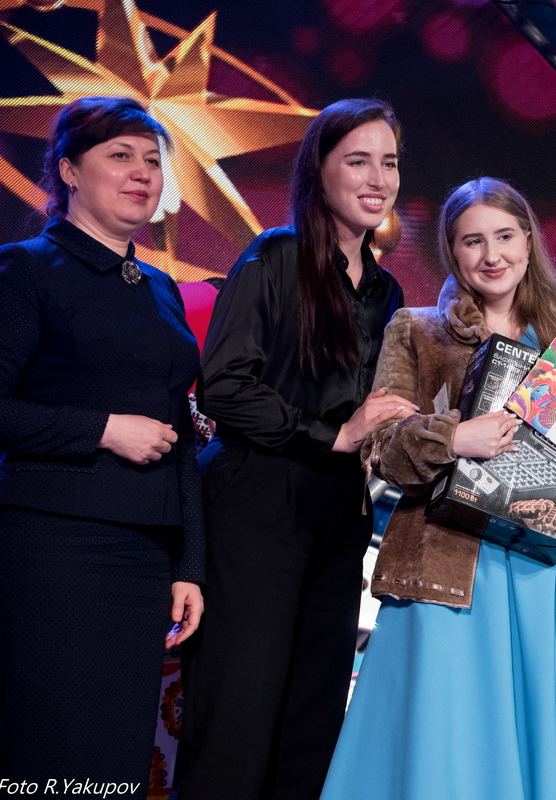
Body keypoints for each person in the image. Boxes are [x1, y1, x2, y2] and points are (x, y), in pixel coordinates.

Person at [319, 178, 556, 799]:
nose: (492, 255)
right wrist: (454, 437)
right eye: (473, 241)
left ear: (528, 241)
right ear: (451, 250)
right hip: (450, 563)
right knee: (454, 748)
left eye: (505, 236)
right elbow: (381, 448)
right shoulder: (417, 329)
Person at [175, 98, 409, 800]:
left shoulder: (388, 290)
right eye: (358, 161)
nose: (378, 178)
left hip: (338, 516)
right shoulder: (275, 255)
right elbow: (224, 386)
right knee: (238, 715)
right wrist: (333, 433)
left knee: (313, 722)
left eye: (389, 162)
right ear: (319, 169)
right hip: (258, 503)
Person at [0, 96, 204, 797]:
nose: (141, 172)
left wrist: (188, 566)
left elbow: (179, 438)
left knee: (116, 762)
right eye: (119, 155)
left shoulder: (162, 289)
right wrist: (104, 429)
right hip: (53, 547)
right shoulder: (24, 269)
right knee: (49, 755)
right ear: (69, 171)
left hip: (143, 559)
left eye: (152, 159)